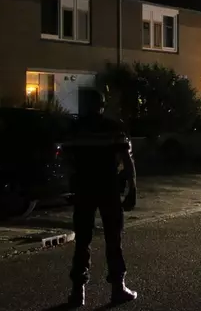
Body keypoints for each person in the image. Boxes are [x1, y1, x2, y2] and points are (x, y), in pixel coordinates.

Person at [65, 89, 138, 307]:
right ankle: (117, 288)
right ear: (101, 106)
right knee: (113, 240)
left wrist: (71, 186)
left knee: (83, 241)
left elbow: (67, 161)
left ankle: (78, 291)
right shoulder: (113, 128)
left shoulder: (75, 129)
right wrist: (133, 188)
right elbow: (127, 159)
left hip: (84, 189)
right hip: (108, 189)